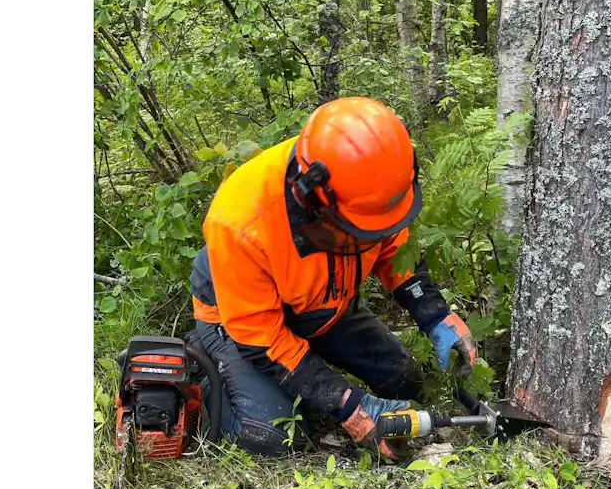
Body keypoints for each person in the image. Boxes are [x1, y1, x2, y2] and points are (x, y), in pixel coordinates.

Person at [188, 96, 476, 459]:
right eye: (361, 232)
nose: (373, 238)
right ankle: (205, 368)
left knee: (405, 380)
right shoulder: (240, 221)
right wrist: (347, 404)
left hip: (323, 304)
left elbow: (393, 247)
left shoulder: (371, 181)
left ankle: (295, 373)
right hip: (239, 321)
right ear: (313, 200)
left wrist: (434, 314)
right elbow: (259, 333)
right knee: (275, 436)